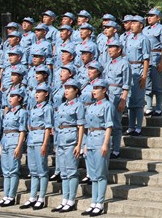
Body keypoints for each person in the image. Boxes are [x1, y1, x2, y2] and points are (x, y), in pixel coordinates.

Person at [52, 79, 85, 213]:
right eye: (65, 88)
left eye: (70, 88)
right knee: (64, 172)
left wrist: (79, 144)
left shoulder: (79, 105)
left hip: (71, 140)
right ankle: (64, 199)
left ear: (76, 91)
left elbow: (81, 126)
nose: (66, 91)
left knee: (71, 171)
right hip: (61, 140)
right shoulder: (62, 106)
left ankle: (71, 200)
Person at [82, 78, 113, 216]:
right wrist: (85, 144)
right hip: (91, 140)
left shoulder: (107, 105)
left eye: (97, 88)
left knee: (101, 174)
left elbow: (109, 126)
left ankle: (99, 203)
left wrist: (105, 144)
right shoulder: (91, 106)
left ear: (104, 90)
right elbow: (88, 127)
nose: (94, 91)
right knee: (93, 175)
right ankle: (93, 202)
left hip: (101, 140)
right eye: (93, 88)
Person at [19, 83, 53, 209]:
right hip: (32, 139)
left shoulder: (47, 108)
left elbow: (48, 127)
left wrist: (45, 143)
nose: (37, 94)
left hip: (40, 139)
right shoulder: (33, 107)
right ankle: (32, 196)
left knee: (42, 170)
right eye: (36, 92)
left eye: (40, 92)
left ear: (46, 94)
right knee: (33, 170)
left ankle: (41, 197)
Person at [0, 88, 27, 208]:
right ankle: (5, 195)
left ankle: (11, 196)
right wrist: (0, 145)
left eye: (13, 96)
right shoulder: (8, 112)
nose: (10, 98)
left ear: (19, 98)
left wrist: (19, 146)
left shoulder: (22, 112)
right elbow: (4, 130)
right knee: (5, 171)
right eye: (10, 96)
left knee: (13, 170)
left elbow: (22, 131)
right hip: (5, 141)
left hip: (14, 141)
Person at [122, 15, 150, 136]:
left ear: (141, 25)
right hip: (129, 69)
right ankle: (131, 126)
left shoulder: (144, 39)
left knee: (138, 101)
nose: (132, 25)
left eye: (134, 23)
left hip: (138, 69)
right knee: (130, 101)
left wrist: (144, 76)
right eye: (131, 23)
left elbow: (146, 59)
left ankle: (138, 127)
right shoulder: (129, 38)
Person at [103, 38, 130, 158]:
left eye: (112, 47)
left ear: (119, 49)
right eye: (108, 47)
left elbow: (127, 84)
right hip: (106, 94)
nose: (109, 50)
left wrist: (123, 100)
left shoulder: (124, 64)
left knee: (116, 123)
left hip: (117, 95)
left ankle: (116, 149)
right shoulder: (108, 63)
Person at [144, 7, 162, 117]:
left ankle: (158, 108)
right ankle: (149, 107)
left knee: (157, 85)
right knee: (147, 84)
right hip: (146, 59)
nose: (149, 18)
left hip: (156, 58)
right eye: (148, 16)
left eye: (151, 16)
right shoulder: (145, 30)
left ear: (158, 18)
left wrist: (161, 63)